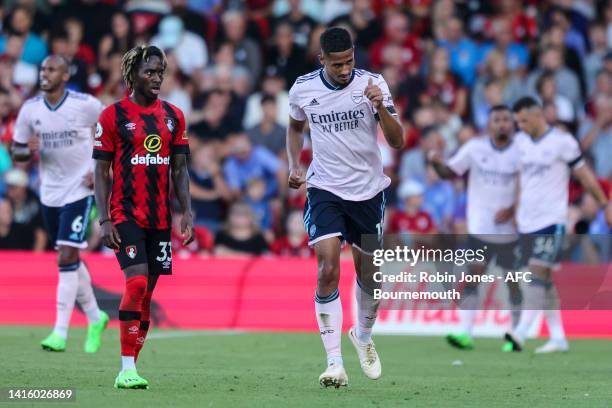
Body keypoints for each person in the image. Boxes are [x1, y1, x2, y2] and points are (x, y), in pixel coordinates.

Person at [286, 27, 404, 387]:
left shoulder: (373, 84)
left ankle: (363, 337)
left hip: (368, 192)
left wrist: (379, 106)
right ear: (322, 59)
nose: (344, 69)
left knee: (370, 275)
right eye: (337, 64)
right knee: (327, 268)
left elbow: (398, 141)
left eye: (349, 61)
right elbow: (294, 127)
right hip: (326, 188)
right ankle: (334, 362)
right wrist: (294, 163)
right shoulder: (303, 89)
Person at [93, 45, 194, 389]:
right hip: (124, 214)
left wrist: (187, 212)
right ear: (133, 74)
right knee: (135, 283)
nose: (156, 78)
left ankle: (130, 367)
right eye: (150, 72)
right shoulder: (112, 116)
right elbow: (101, 171)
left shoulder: (174, 116)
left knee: (147, 294)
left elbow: (180, 169)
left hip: (160, 218)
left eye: (160, 73)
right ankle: (125, 367)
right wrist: (105, 218)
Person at [11, 55, 108, 353]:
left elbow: (111, 130)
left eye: (52, 69)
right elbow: (17, 152)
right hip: (49, 193)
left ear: (65, 75)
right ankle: (96, 316)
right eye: (42, 69)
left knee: (66, 255)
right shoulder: (30, 110)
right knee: (69, 258)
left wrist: (100, 169)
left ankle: (60, 332)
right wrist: (28, 151)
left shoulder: (85, 104)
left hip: (79, 189)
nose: (45, 73)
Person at [505, 97, 612, 353]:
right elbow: (521, 178)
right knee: (544, 277)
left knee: (536, 271)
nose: (519, 126)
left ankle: (521, 333)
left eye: (523, 120)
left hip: (552, 219)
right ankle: (558, 337)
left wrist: (605, 204)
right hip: (527, 220)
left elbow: (585, 176)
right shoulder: (520, 142)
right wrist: (515, 209)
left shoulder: (562, 142)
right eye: (517, 121)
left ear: (538, 115)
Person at [428, 105, 523, 351]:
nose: (501, 124)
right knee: (472, 277)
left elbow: (531, 186)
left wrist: (513, 209)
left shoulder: (522, 152)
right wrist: (437, 163)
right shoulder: (475, 148)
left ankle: (515, 335)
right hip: (480, 227)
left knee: (512, 280)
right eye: (497, 120)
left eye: (505, 119)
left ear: (512, 124)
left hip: (510, 230)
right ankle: (466, 332)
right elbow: (450, 172)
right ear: (489, 124)